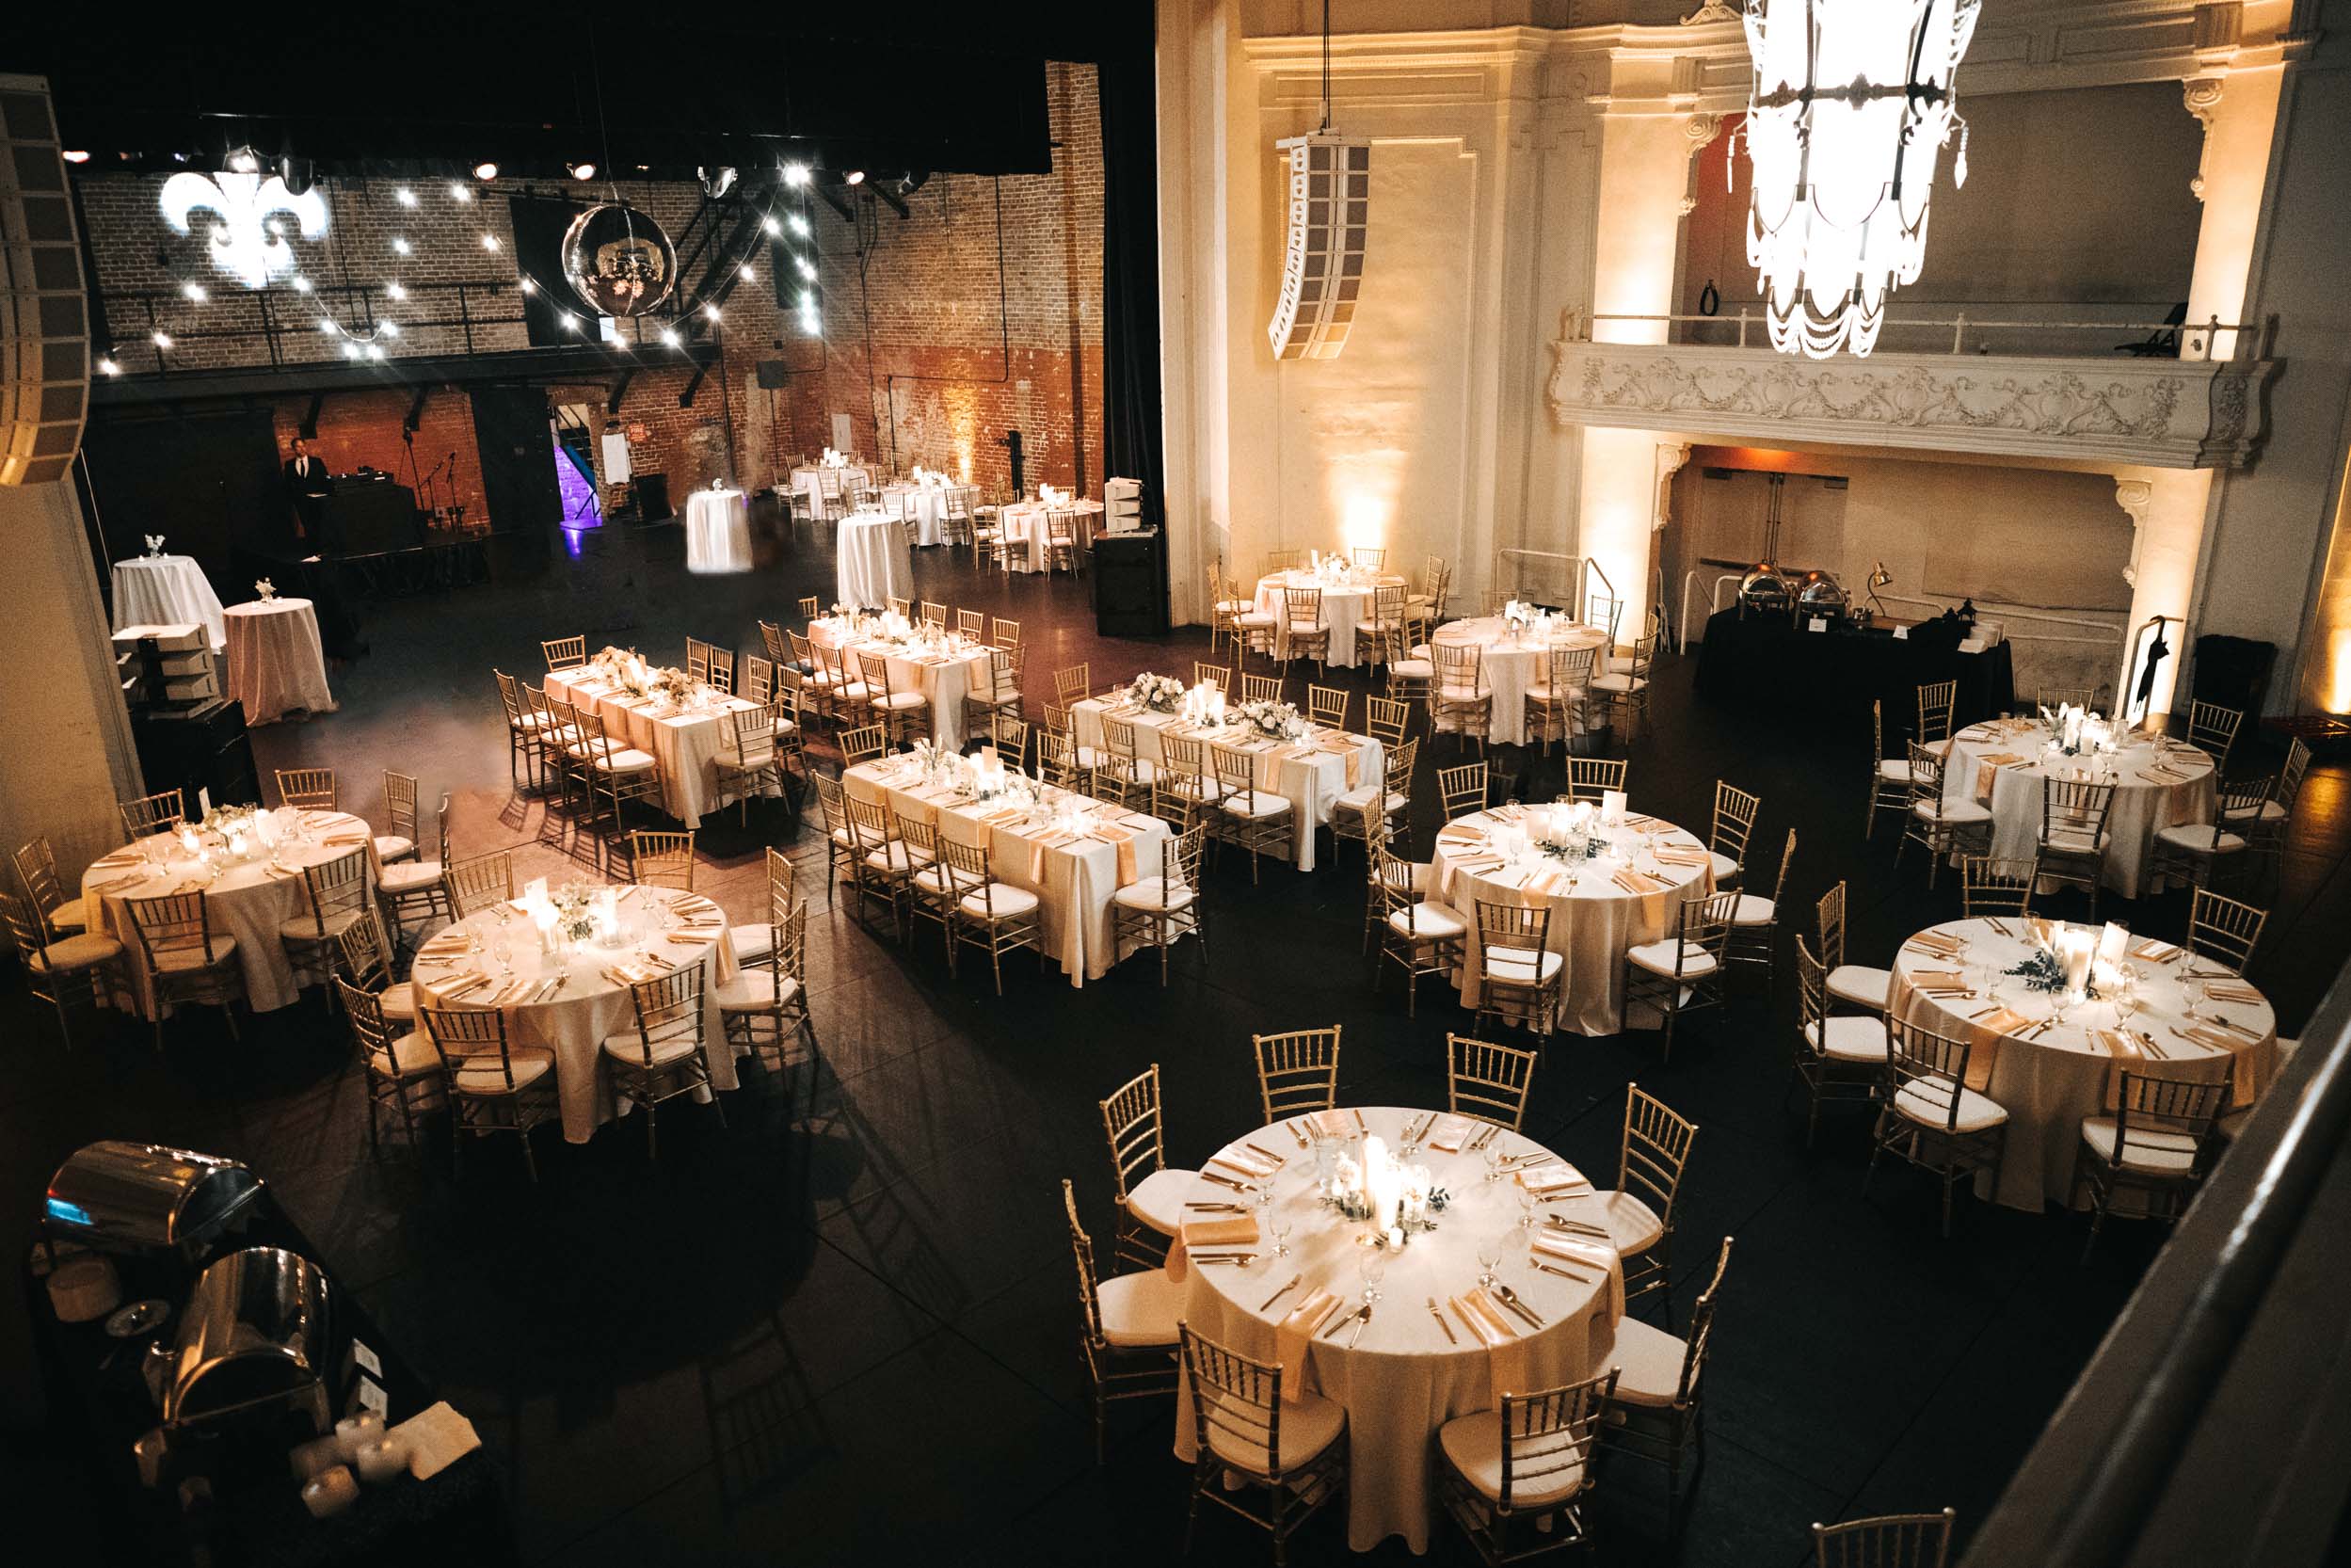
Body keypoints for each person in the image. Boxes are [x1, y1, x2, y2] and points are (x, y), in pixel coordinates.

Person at [283, 438, 331, 541]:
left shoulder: (316, 462)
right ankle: (312, 550)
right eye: (298, 446)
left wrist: (325, 495)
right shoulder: (289, 465)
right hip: (300, 501)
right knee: (307, 525)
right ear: (293, 449)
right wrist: (293, 498)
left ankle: (322, 549)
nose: (302, 449)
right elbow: (287, 483)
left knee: (319, 524)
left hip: (317, 499)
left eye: (303, 446)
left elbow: (325, 478)